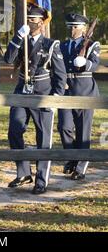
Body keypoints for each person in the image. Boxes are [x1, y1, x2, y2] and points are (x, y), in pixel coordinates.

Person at [4, 5, 66, 194]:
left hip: (42, 92)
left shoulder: (51, 44)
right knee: (14, 129)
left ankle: (41, 179)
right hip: (22, 90)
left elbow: (60, 75)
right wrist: (17, 38)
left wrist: (56, 97)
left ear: (42, 22)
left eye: (33, 19)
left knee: (43, 138)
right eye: (28, 18)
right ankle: (23, 172)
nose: (30, 22)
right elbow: (8, 59)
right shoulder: (21, 40)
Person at [58, 13, 100, 180]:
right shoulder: (63, 45)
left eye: (75, 27)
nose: (72, 30)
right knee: (64, 127)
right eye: (70, 26)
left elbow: (95, 64)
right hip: (66, 91)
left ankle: (81, 166)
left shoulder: (92, 44)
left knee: (83, 131)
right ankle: (71, 157)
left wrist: (86, 63)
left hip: (85, 92)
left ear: (83, 28)